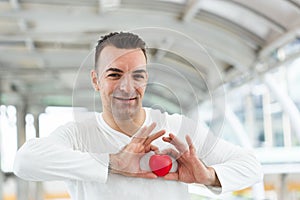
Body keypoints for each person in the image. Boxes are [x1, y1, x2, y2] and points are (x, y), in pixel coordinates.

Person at [13, 32, 263, 200]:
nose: (127, 87)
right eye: (114, 74)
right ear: (95, 80)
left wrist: (206, 175)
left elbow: (251, 166)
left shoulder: (175, 129)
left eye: (138, 75)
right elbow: (24, 162)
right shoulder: (79, 134)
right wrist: (114, 162)